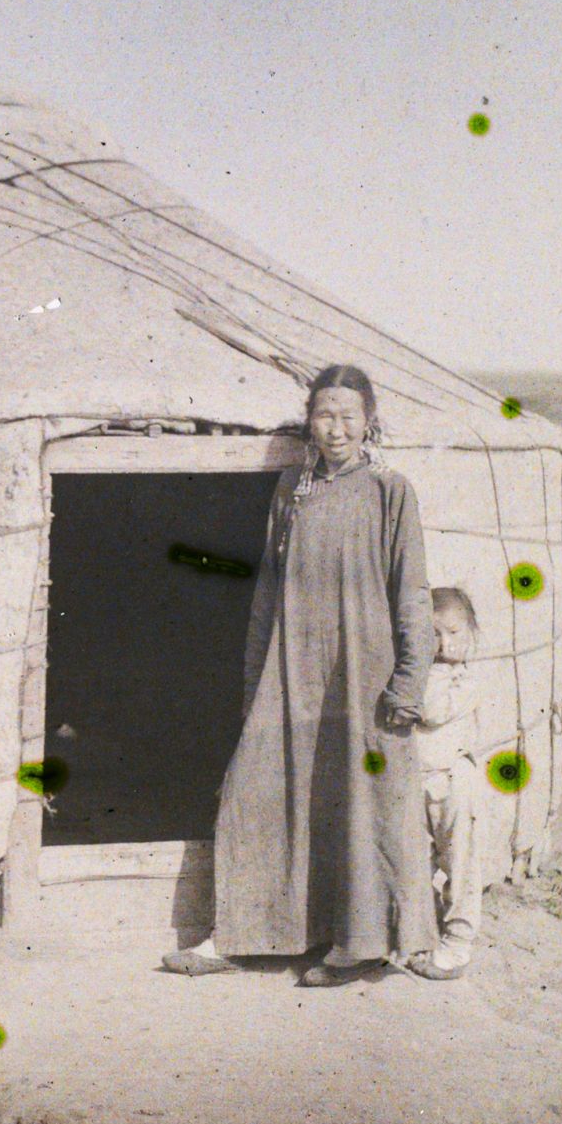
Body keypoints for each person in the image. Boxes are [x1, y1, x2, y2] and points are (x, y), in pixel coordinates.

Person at [163, 363, 437, 985]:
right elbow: (268, 589)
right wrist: (256, 677)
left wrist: (408, 683)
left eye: (348, 417)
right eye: (324, 415)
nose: (336, 429)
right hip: (292, 673)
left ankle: (358, 947)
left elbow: (413, 593)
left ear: (369, 421)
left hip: (364, 679)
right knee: (254, 790)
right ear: (309, 421)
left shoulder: (390, 491)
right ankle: (241, 935)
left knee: (361, 804)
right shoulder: (292, 489)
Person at [405, 586, 490, 981]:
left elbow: (432, 710)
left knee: (460, 862)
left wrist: (425, 673)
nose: (444, 644)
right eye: (433, 635)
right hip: (419, 781)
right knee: (415, 861)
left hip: (455, 784)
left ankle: (457, 944)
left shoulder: (466, 678)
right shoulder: (427, 672)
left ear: (471, 630)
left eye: (454, 632)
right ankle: (421, 934)